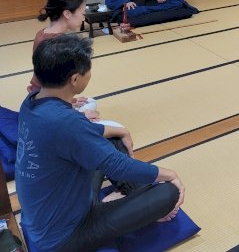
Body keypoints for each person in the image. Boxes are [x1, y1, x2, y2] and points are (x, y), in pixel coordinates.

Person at [16, 34, 184, 252]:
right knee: (168, 192)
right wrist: (171, 174)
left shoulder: (31, 102)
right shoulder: (66, 121)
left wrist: (121, 130)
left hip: (52, 210)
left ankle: (134, 201)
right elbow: (118, 165)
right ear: (74, 80)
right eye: (88, 71)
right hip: (65, 237)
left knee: (112, 139)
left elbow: (78, 133)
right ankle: (139, 204)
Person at [28, 0, 98, 120]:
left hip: (40, 94)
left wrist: (71, 101)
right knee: (92, 108)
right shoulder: (59, 45)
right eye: (82, 13)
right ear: (67, 14)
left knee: (89, 103)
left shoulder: (42, 33)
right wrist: (79, 115)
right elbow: (54, 84)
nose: (84, 18)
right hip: (47, 101)